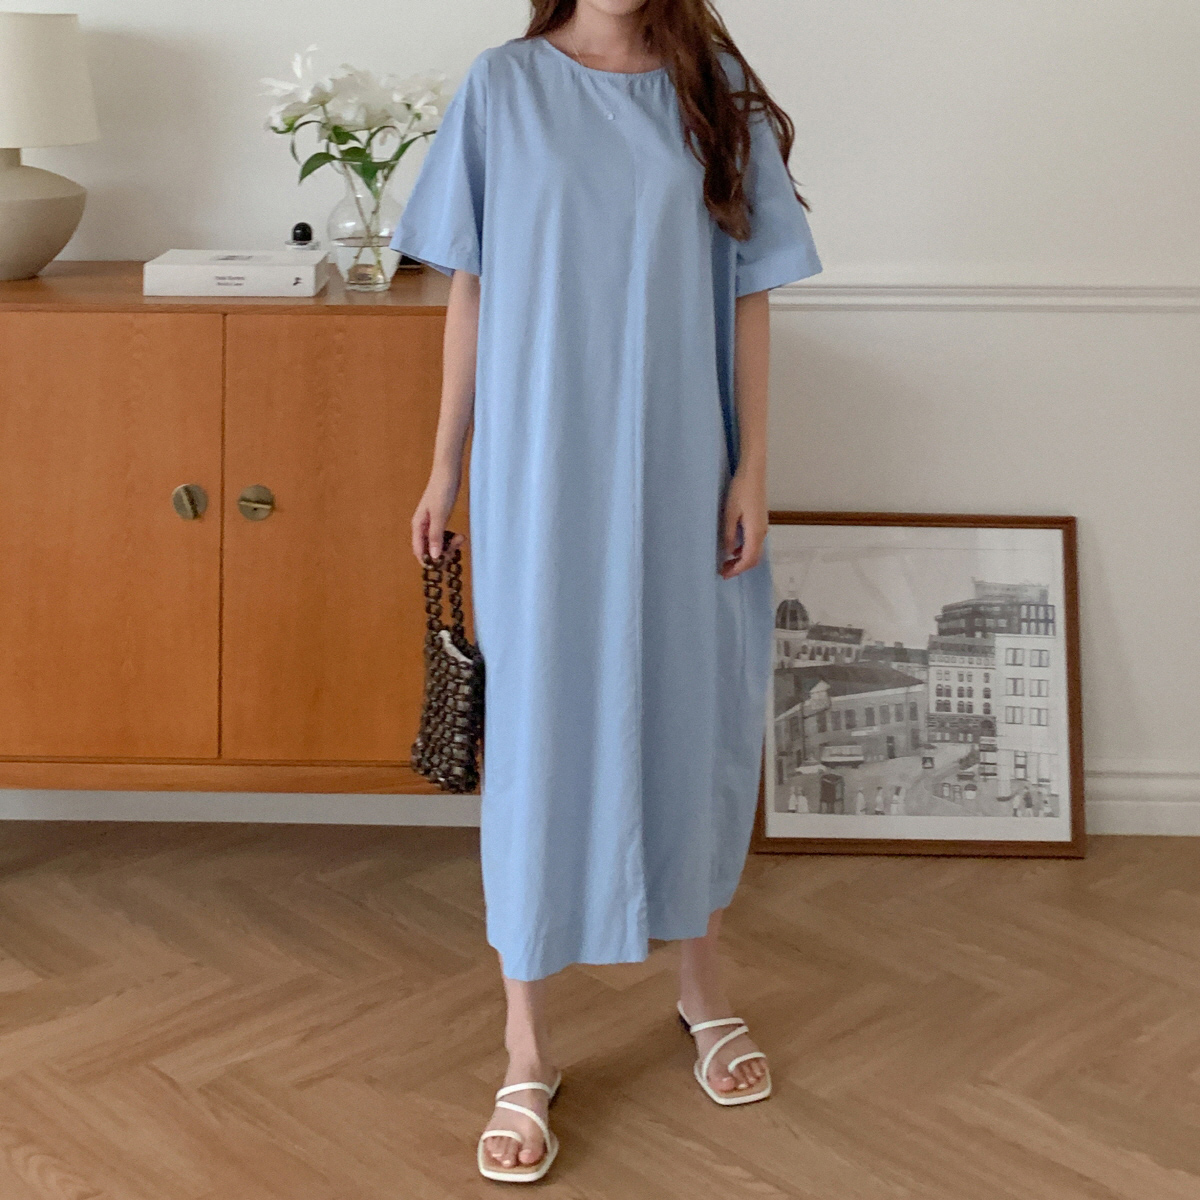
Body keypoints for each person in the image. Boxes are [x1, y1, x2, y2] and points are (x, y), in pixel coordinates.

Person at [394, 0, 821, 1182]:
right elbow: (471, 286)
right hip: (539, 470)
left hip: (684, 466)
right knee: (538, 738)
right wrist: (444, 468)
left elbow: (750, 289)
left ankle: (702, 991)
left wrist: (752, 470)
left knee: (694, 717)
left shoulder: (714, 86)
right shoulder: (503, 88)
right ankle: (526, 1049)